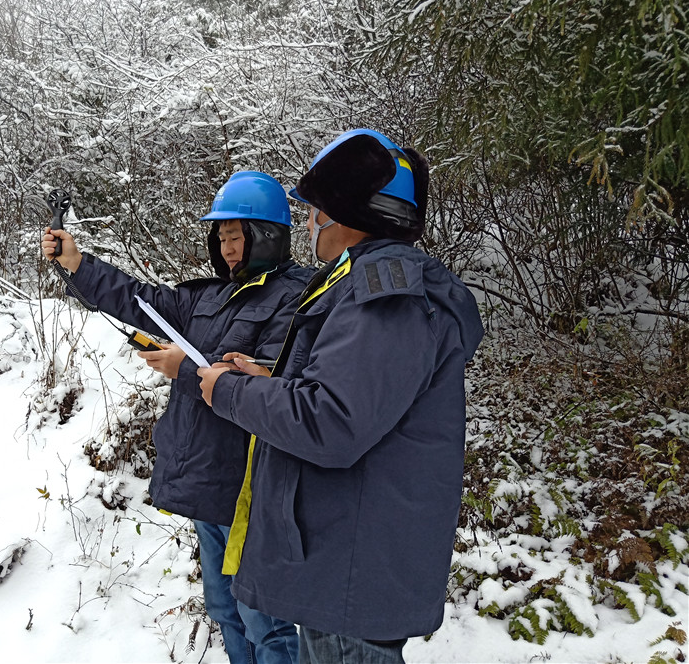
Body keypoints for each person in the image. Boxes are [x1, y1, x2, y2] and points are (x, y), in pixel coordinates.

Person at [197, 130, 485, 664]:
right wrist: (266, 381)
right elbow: (344, 396)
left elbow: (333, 425)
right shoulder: (364, 284)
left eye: (316, 209)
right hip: (341, 565)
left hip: (352, 573)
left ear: (345, 213)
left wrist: (231, 394)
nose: (310, 223)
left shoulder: (385, 296)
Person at [41, 171, 310, 664]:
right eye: (223, 237)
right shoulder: (207, 296)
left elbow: (266, 386)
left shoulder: (297, 297)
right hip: (207, 483)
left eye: (238, 237)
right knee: (224, 608)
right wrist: (77, 263)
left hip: (253, 487)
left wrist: (183, 370)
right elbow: (139, 300)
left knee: (263, 619)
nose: (228, 248)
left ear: (268, 234)